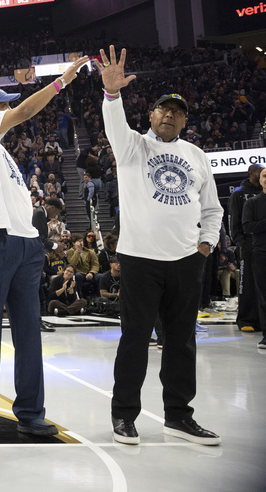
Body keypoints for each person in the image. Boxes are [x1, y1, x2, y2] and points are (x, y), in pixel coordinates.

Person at [0, 53, 88, 443]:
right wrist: (62, 81)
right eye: (3, 103)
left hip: (24, 244)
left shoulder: (0, 151)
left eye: (8, 103)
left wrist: (36, 240)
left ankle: (31, 413)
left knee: (29, 331)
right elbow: (28, 109)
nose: (9, 108)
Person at [94, 46, 224, 446]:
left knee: (182, 341)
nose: (169, 115)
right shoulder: (133, 147)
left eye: (177, 111)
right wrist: (112, 95)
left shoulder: (197, 155)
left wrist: (205, 247)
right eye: (163, 109)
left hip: (186, 260)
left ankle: (179, 416)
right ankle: (124, 416)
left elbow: (213, 209)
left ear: (184, 120)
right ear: (150, 116)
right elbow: (114, 126)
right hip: (139, 259)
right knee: (134, 339)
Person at [229, 164, 262, 333]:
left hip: (262, 242)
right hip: (248, 244)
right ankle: (246, 319)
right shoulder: (239, 193)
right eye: (259, 171)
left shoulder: (262, 193)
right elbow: (233, 219)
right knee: (246, 283)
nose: (262, 174)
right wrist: (240, 242)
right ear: (251, 173)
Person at [239, 166, 266, 352]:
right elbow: (247, 227)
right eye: (264, 175)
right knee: (264, 296)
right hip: (261, 254)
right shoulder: (253, 203)